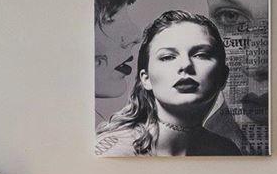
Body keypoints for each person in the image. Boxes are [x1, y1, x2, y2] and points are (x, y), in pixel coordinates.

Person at [98, 9, 262, 155]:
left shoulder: (225, 150)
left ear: (223, 77)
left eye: (201, 55)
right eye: (168, 57)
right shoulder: (115, 151)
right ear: (145, 78)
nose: (186, 65)